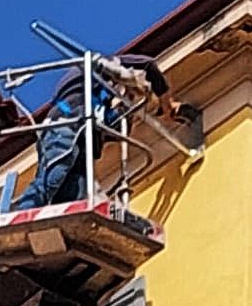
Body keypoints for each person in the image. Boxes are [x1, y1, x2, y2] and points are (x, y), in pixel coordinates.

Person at [15, 53, 178, 209]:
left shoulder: (96, 97)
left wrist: (129, 99)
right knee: (54, 176)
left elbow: (113, 129)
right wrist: (167, 103)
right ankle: (23, 211)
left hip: (81, 137)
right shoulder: (101, 65)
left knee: (74, 194)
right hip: (66, 125)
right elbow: (148, 64)